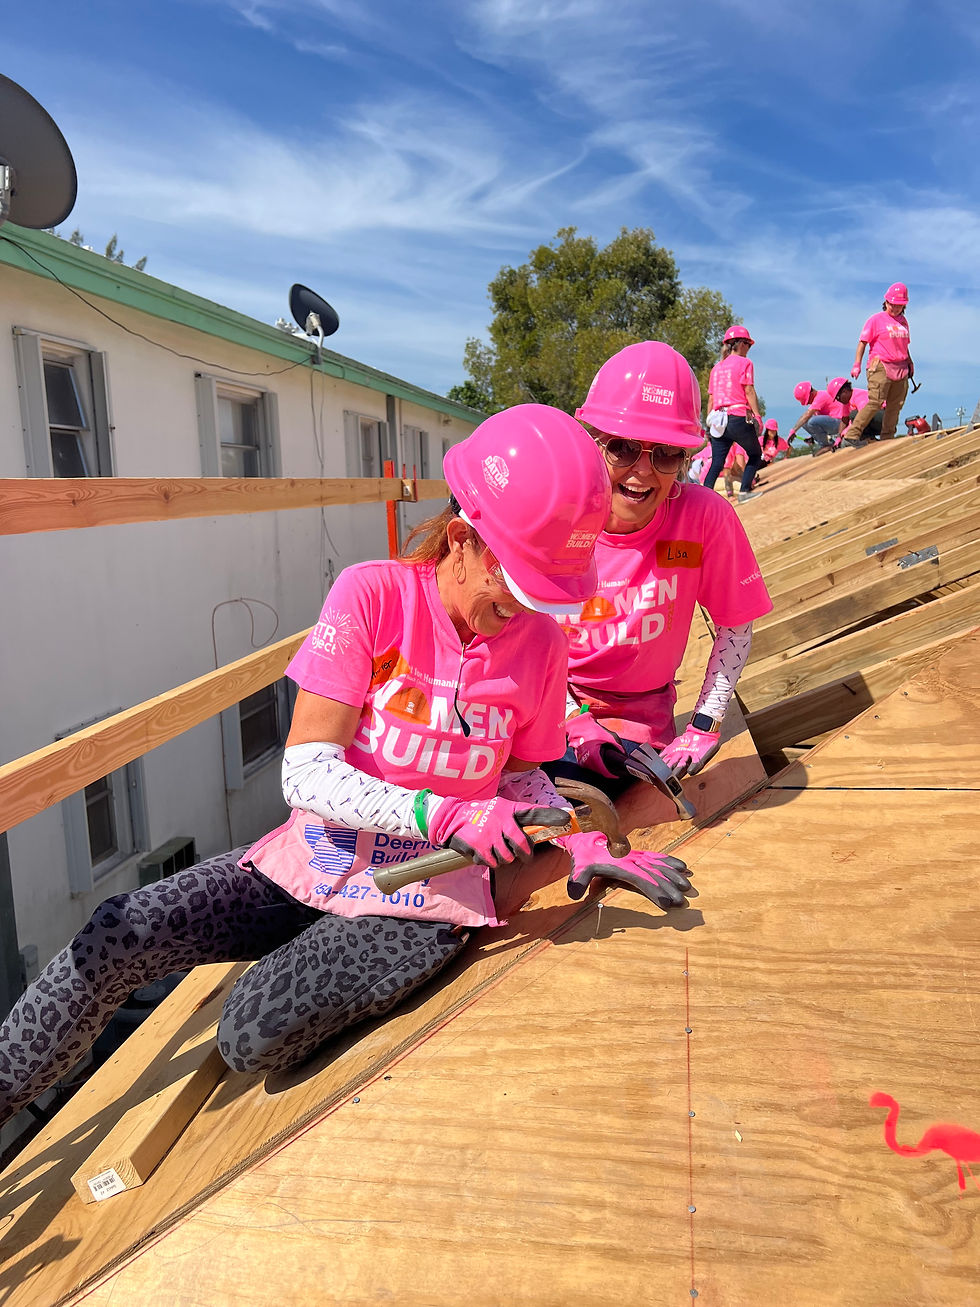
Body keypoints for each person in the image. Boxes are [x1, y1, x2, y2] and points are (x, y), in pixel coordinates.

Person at [1, 404, 689, 1130]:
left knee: (249, 1032)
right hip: (315, 859)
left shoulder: (541, 647)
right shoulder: (373, 596)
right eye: (514, 584)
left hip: (421, 889)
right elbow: (305, 773)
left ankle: (417, 928)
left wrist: (575, 836)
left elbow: (521, 777)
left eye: (543, 592)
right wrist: (441, 809)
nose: (521, 609)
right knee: (119, 931)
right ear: (461, 538)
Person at [553, 341, 773, 822]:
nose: (643, 471)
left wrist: (704, 724)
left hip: (643, 723)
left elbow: (735, 625)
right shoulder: (558, 517)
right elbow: (512, 639)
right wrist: (570, 720)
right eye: (624, 448)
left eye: (667, 454)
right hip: (546, 704)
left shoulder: (704, 519)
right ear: (594, 442)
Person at [842, 282, 913, 442]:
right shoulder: (876, 320)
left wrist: (910, 362)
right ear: (886, 302)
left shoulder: (903, 322)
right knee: (876, 401)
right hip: (880, 364)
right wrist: (856, 364)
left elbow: (904, 346)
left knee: (895, 405)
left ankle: (887, 437)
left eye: (899, 306)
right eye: (892, 304)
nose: (895, 308)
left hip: (900, 366)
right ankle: (852, 435)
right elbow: (862, 342)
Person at [703, 325, 765, 502]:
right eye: (748, 344)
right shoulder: (745, 363)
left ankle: (704, 499)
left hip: (717, 419)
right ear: (742, 344)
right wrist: (757, 416)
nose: (749, 349)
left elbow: (712, 400)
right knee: (754, 454)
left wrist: (709, 424)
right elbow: (749, 391)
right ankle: (744, 492)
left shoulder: (716, 368)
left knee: (717, 462)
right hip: (736, 416)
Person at [788, 378, 852, 452]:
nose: (808, 403)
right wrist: (813, 437)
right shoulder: (816, 404)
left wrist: (793, 430)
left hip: (841, 423)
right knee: (805, 423)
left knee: (811, 420)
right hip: (833, 424)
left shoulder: (820, 396)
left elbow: (807, 415)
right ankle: (828, 443)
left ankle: (826, 445)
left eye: (807, 400)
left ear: (811, 394)